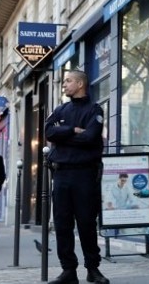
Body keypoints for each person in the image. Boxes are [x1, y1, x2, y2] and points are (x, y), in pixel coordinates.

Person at [44, 70, 109, 284]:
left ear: (80, 83)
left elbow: (90, 138)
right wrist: (73, 130)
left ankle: (93, 269)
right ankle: (68, 271)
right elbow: (48, 132)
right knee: (62, 225)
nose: (64, 85)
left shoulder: (94, 110)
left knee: (86, 224)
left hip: (84, 175)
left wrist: (63, 136)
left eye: (68, 81)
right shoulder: (60, 109)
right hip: (61, 174)